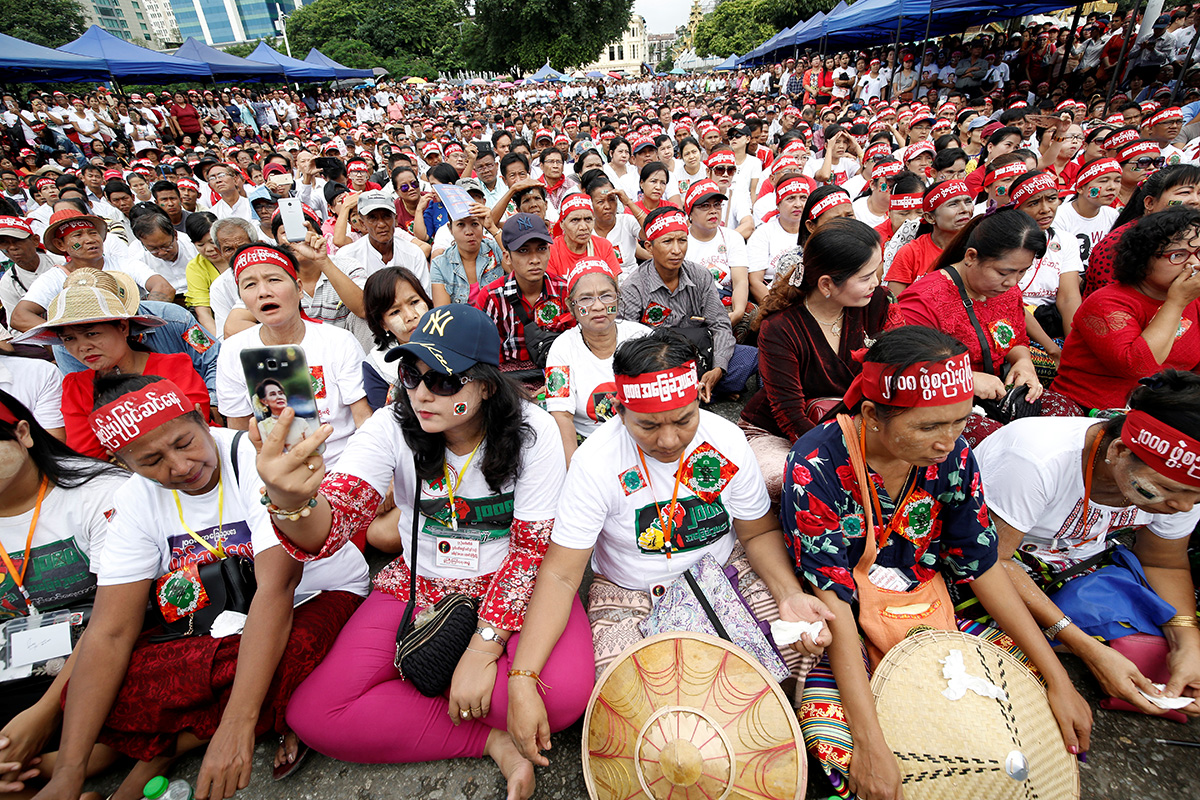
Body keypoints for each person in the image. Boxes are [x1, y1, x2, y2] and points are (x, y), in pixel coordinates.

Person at [256, 304, 592, 800]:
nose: (422, 394)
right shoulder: (392, 426)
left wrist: (483, 648)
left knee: (560, 701)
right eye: (412, 374)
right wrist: (291, 502)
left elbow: (529, 552)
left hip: (515, 584)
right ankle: (490, 739)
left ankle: (439, 688)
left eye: (444, 381)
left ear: (486, 386)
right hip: (422, 585)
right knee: (315, 716)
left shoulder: (533, 430)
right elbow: (337, 525)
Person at [786, 326, 1092, 800]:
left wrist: (1057, 678)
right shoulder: (817, 463)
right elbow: (833, 598)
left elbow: (982, 564)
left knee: (1023, 724)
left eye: (960, 421)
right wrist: (871, 743)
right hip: (847, 626)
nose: (948, 441)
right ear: (871, 415)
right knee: (842, 762)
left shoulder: (954, 457)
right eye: (929, 426)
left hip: (929, 610)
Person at [30, 373, 368, 800]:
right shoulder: (134, 499)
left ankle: (163, 748)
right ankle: (121, 756)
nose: (180, 467)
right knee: (99, 690)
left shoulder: (254, 457)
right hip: (210, 627)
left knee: (296, 659)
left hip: (309, 597)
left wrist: (236, 727)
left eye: (185, 443)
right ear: (123, 465)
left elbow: (277, 589)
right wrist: (67, 772)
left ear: (202, 419)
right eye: (150, 462)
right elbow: (111, 631)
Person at [506, 329, 834, 767]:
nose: (668, 440)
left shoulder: (723, 440)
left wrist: (789, 594)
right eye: (647, 424)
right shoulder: (595, 462)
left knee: (802, 658)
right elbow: (563, 574)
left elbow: (756, 534)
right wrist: (522, 678)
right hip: (631, 598)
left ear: (699, 396)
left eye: (683, 419)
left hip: (726, 574)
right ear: (619, 411)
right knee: (638, 717)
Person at [976, 371, 1200, 721]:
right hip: (1000, 561)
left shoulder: (1178, 485)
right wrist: (1085, 648)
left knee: (1167, 664)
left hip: (1078, 566)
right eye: (1165, 490)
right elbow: (991, 561)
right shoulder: (1036, 460)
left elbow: (1165, 563)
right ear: (1120, 450)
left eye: (1196, 497)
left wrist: (1187, 640)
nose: (1183, 507)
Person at [0, 389, 126, 745]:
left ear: (22, 434)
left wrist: (41, 715)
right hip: (14, 673)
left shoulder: (99, 492)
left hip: (105, 657)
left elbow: (118, 621)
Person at [740, 219, 896, 502]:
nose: (876, 282)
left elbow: (899, 368)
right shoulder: (779, 328)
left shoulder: (877, 302)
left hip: (858, 422)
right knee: (793, 481)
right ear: (826, 284)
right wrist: (840, 458)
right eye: (865, 276)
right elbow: (790, 415)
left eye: (877, 271)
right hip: (781, 430)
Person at [895, 209, 1080, 445]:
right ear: (971, 256)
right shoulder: (923, 300)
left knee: (1066, 415)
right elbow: (901, 370)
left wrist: (1023, 363)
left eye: (1022, 272)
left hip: (996, 395)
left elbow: (1015, 340)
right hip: (941, 402)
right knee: (1006, 444)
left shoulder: (1005, 291)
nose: (1012, 282)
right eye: (1004, 272)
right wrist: (966, 379)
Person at [15, 273, 210, 460]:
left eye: (92, 334)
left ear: (123, 327)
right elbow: (88, 456)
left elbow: (190, 431)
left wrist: (123, 451)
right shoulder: (77, 388)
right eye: (69, 338)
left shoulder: (175, 365)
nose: (83, 347)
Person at [216, 244, 372, 466]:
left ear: (299, 288)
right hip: (276, 472)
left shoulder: (338, 342)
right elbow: (239, 433)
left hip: (343, 464)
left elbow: (364, 419)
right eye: (250, 284)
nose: (263, 292)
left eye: (274, 280)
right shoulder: (233, 351)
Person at [1054, 208, 1200, 413]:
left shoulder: (1194, 298)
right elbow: (1137, 367)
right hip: (1090, 412)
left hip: (1165, 409)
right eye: (1177, 255)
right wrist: (1176, 303)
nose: (1193, 264)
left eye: (1199, 253)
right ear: (1143, 261)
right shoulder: (1107, 301)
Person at [618, 207, 754, 399]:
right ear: (649, 247)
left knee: (751, 357)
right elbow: (626, 341)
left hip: (702, 355)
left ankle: (704, 387)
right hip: (658, 362)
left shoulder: (700, 275)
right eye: (667, 241)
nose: (676, 250)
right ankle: (708, 391)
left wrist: (718, 369)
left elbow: (720, 324)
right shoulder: (634, 286)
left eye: (682, 240)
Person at [544, 260, 650, 462]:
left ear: (618, 299)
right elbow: (562, 416)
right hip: (589, 446)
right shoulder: (561, 349)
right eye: (585, 299)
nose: (599, 306)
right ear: (571, 306)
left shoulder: (642, 337)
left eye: (607, 296)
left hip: (642, 442)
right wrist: (573, 471)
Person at [475, 214, 575, 371]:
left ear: (549, 251)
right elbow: (485, 356)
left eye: (541, 249)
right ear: (507, 257)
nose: (535, 259)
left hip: (558, 371)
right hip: (509, 378)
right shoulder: (492, 297)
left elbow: (577, 346)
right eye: (523, 251)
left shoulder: (565, 290)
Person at [1085, 164, 1200, 299]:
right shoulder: (1116, 244)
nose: (1195, 201)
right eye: (1185, 192)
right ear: (1150, 203)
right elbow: (1110, 300)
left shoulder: (1194, 233)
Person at [1008, 170, 1085, 354]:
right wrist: (1053, 351)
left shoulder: (1066, 240)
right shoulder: (1004, 241)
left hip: (1050, 324)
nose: (1045, 209)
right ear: (1017, 207)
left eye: (1051, 199)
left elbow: (1068, 299)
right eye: (1033, 203)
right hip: (1011, 322)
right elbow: (1010, 301)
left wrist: (1072, 349)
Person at [884, 180, 975, 295]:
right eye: (953, 204)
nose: (965, 209)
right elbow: (894, 306)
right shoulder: (911, 253)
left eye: (968, 202)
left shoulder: (980, 246)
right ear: (930, 217)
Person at [361, 267, 433, 410]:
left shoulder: (453, 339)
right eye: (395, 312)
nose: (411, 316)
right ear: (383, 324)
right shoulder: (376, 365)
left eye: (414, 302)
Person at [684, 180, 751, 329]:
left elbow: (740, 281)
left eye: (717, 205)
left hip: (727, 304)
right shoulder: (681, 241)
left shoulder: (733, 237)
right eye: (705, 206)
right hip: (694, 308)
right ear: (690, 213)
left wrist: (738, 312)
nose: (713, 211)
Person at [746, 176, 819, 303]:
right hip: (774, 298)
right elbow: (755, 281)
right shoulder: (763, 233)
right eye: (790, 198)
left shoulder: (816, 232)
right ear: (778, 204)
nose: (798, 204)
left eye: (803, 198)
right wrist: (776, 309)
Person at [1054, 157, 1121, 271]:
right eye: (1104, 181)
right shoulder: (1059, 218)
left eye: (1117, 181)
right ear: (1080, 188)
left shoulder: (1113, 215)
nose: (1112, 187)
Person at [430, 208, 504, 306]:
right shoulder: (440, 265)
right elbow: (444, 313)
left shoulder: (495, 248)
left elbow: (516, 268)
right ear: (450, 229)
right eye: (461, 224)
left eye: (475, 224)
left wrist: (492, 228)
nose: (469, 231)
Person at [546, 193, 620, 282]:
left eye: (588, 219)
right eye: (575, 220)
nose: (583, 227)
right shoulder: (551, 251)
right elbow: (553, 290)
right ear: (562, 224)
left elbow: (613, 287)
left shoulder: (604, 246)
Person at [582, 172, 645, 276]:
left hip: (632, 282)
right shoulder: (585, 229)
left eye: (611, 200)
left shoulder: (626, 221)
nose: (607, 206)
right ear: (591, 204)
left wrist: (628, 202)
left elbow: (652, 232)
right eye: (600, 202)